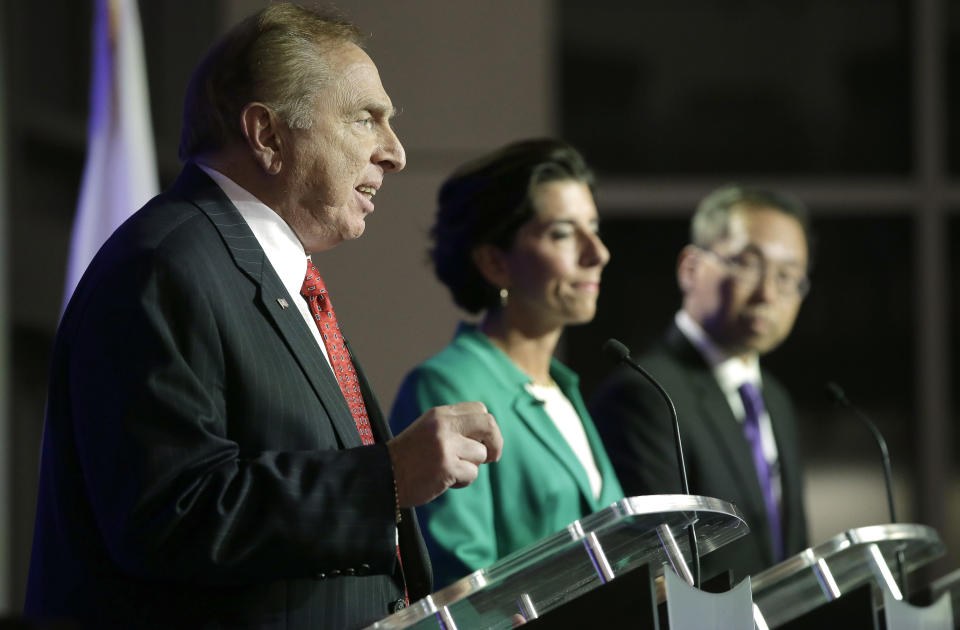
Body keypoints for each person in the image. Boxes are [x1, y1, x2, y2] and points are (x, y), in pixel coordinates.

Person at [24, 5, 502, 629]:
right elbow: (170, 515)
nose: (396, 153)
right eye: (366, 119)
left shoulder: (267, 273)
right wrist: (387, 477)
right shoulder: (168, 265)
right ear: (267, 135)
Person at [389, 139, 625, 589]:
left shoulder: (560, 387)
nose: (597, 252)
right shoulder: (448, 384)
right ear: (495, 262)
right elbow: (460, 579)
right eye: (562, 233)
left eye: (593, 227)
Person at [590, 184, 810, 581]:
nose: (767, 292)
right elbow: (661, 565)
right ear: (690, 268)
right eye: (748, 264)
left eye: (788, 276)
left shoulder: (775, 400)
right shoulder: (646, 394)